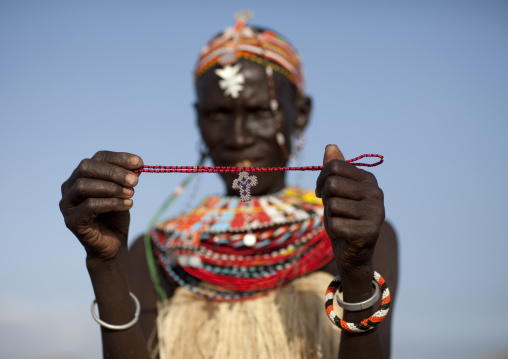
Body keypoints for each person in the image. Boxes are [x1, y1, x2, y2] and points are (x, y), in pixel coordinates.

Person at [59, 12, 398, 359]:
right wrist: (106, 267)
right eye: (218, 115)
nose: (237, 138)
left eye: (259, 112)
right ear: (198, 118)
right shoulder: (158, 251)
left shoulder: (352, 234)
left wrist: (356, 271)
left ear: (300, 114)